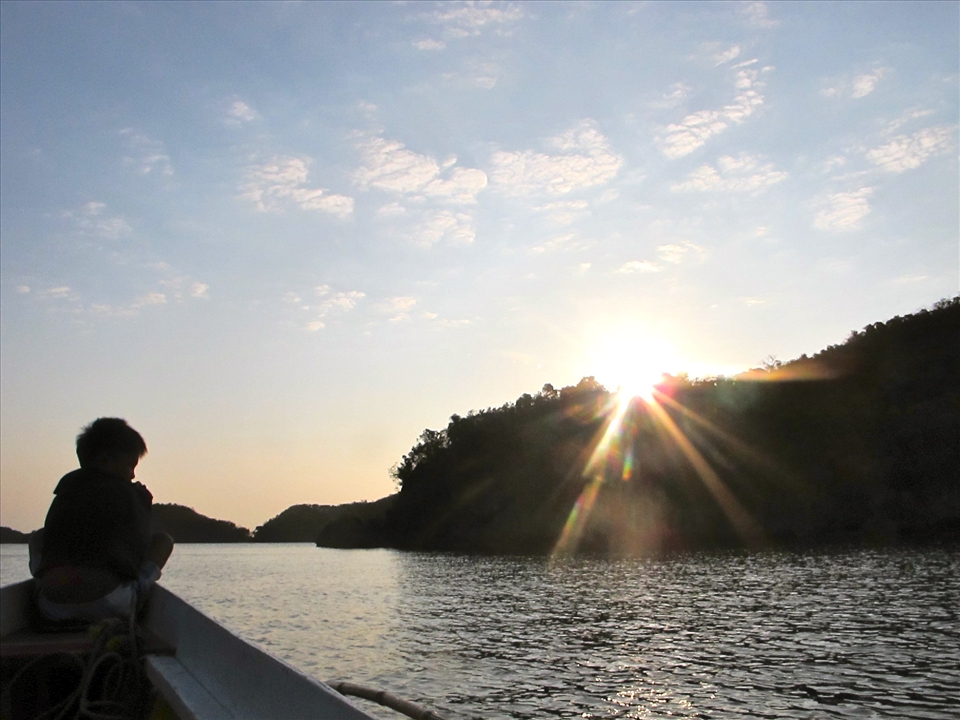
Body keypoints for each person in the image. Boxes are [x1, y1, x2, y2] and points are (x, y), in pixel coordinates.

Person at [29, 418, 174, 622]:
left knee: (37, 537)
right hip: (107, 603)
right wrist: (143, 502)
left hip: (53, 608)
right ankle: (135, 599)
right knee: (162, 540)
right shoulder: (129, 494)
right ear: (106, 461)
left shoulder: (65, 491)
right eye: (131, 466)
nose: (133, 475)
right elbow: (137, 548)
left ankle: (41, 584)